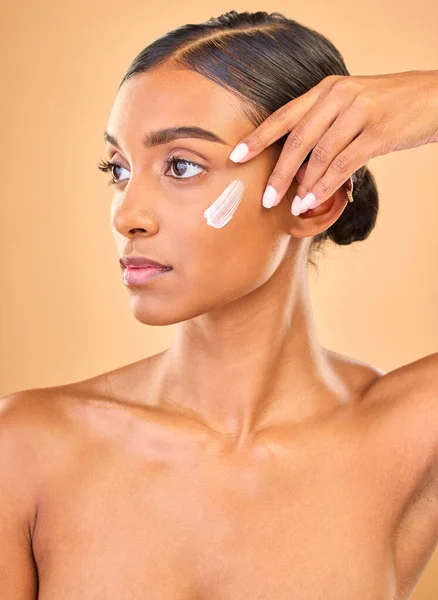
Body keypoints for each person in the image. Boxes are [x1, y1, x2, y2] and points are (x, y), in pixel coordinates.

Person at [1, 10, 437, 600]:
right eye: (119, 169)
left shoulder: (408, 437)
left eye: (181, 166)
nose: (128, 214)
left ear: (314, 201)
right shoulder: (24, 448)